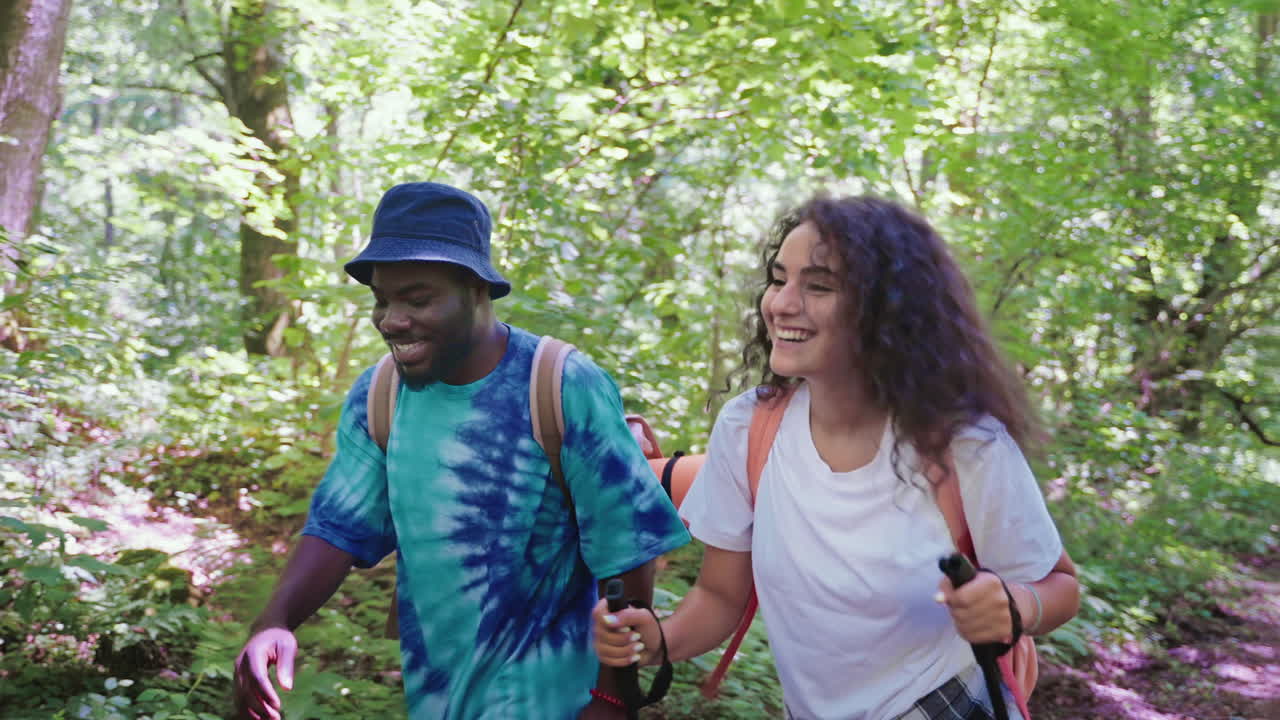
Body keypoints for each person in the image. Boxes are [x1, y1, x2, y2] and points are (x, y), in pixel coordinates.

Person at [593, 194, 1080, 719]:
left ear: (887, 311)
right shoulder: (749, 427)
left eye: (819, 286)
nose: (781, 304)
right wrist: (658, 639)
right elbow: (718, 596)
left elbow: (1060, 586)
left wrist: (1014, 606)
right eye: (779, 279)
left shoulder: (962, 445)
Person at [233, 182, 691, 720]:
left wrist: (614, 696)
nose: (391, 319)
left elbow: (628, 550)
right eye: (382, 298)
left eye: (417, 299)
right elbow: (338, 527)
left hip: (558, 700)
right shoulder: (380, 395)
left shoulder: (561, 385)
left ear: (476, 289)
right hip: (436, 698)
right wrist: (275, 620)